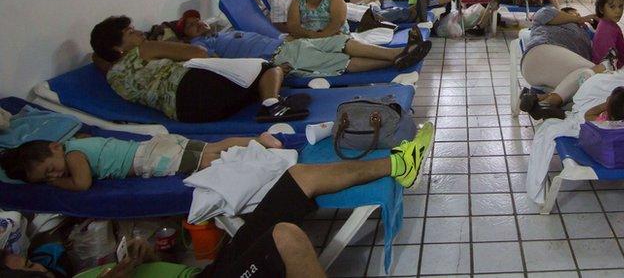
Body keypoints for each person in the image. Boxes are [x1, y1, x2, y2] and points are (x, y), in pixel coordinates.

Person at [3, 125, 435, 278]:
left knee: (298, 175)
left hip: (211, 267)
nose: (33, 260)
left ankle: (397, 164)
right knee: (285, 236)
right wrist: (127, 267)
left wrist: (145, 254)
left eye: (23, 260)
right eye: (26, 266)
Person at [91, 17, 298, 123]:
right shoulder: (144, 49)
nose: (139, 32)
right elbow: (198, 52)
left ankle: (266, 89)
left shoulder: (113, 75)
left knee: (249, 80)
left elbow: (96, 57)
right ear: (117, 47)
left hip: (187, 114)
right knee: (266, 67)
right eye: (130, 32)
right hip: (194, 87)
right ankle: (272, 104)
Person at [176, 11, 423, 79]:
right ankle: (397, 57)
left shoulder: (222, 33)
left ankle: (397, 54)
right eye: (190, 25)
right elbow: (215, 65)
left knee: (342, 40)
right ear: (186, 38)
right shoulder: (201, 48)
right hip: (279, 58)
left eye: (198, 20)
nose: (198, 23)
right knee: (338, 62)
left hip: (288, 44)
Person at [1, 132, 283, 190]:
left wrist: (58, 185)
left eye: (50, 170)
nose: (54, 175)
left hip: (150, 159)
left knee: (210, 160)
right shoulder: (75, 143)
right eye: (46, 178)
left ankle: (256, 157)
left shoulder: (74, 158)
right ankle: (258, 140)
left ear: (54, 146)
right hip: (154, 144)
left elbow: (83, 183)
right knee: (215, 145)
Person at [286, 0, 430, 71]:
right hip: (312, 40)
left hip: (332, 34)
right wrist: (314, 37)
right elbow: (293, 26)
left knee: (345, 41)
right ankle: (398, 56)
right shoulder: (297, 1)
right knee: (341, 60)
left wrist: (321, 36)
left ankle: (400, 50)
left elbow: (338, 22)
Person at [517, 7, 604, 121]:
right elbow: (543, 14)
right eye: (574, 14)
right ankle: (549, 102)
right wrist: (579, 18)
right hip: (543, 51)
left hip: (548, 70)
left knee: (586, 87)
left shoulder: (585, 35)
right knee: (601, 73)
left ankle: (539, 99)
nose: (578, 17)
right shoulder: (550, 14)